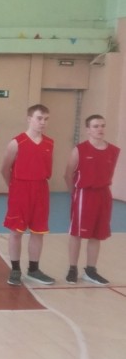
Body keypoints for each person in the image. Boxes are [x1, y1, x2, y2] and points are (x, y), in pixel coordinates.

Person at [1, 104, 55, 285]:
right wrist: (14, 187)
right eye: (39, 118)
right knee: (16, 232)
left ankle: (34, 269)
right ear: (29, 119)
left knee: (38, 232)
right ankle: (15, 269)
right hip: (20, 189)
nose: (43, 122)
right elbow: (5, 169)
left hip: (41, 190)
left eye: (46, 119)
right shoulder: (17, 143)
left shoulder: (49, 143)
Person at [64, 114, 120, 285]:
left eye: (102, 125)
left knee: (97, 234)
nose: (100, 129)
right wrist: (74, 193)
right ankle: (72, 269)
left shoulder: (113, 151)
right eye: (95, 126)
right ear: (88, 130)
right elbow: (68, 174)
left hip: (104, 195)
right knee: (77, 233)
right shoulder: (79, 150)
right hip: (84, 194)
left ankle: (90, 270)